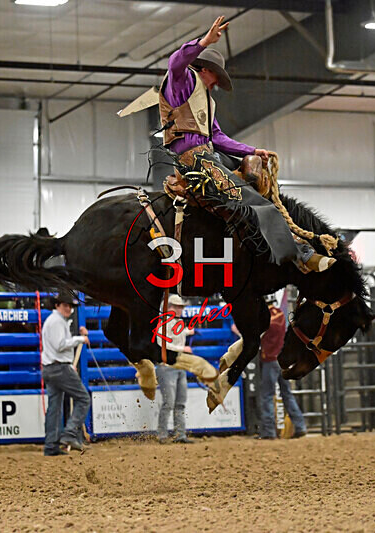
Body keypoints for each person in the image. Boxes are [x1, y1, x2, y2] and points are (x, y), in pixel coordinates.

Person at [137, 16, 329, 273]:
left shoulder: (205, 101)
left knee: (253, 172)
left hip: (208, 156)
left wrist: (252, 151)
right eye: (216, 76)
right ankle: (300, 254)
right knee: (256, 201)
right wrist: (204, 42)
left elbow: (217, 137)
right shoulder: (182, 83)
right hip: (194, 161)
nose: (216, 83)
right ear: (204, 70)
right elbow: (175, 62)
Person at [41, 293, 91, 455]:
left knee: (54, 407)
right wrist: (80, 339)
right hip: (59, 368)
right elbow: (60, 345)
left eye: (69, 306)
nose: (68, 309)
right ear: (57, 306)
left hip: (51, 367)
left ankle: (51, 445)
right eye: (65, 305)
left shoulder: (55, 320)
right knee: (83, 398)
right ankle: (69, 434)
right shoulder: (57, 322)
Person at [255, 302, 307, 439]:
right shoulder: (280, 314)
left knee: (267, 395)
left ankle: (269, 431)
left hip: (270, 359)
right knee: (287, 393)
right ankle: (300, 425)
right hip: (282, 359)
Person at [154, 294, 194, 444]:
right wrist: (182, 348)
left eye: (180, 307)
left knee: (179, 402)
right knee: (170, 403)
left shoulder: (177, 322)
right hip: (167, 366)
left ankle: (179, 434)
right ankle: (163, 434)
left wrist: (188, 332)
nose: (180, 310)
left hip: (177, 365)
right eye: (178, 307)